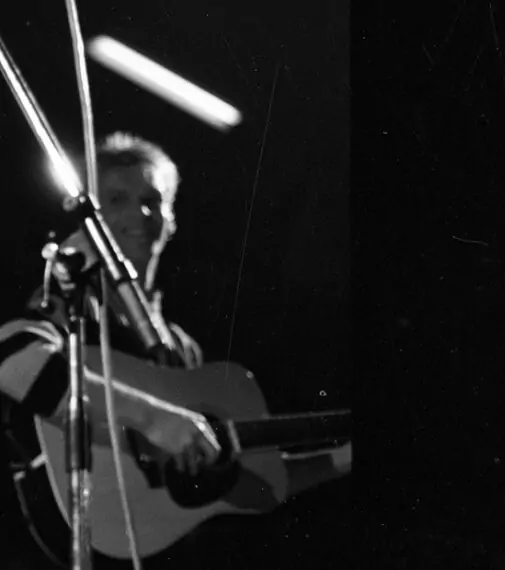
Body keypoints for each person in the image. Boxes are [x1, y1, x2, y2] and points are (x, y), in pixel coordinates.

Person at [0, 132, 351, 569]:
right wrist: (153, 418)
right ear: (90, 221)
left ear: (171, 221)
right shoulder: (76, 304)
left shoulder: (182, 348)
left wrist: (342, 457)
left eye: (153, 201)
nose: (139, 213)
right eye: (116, 199)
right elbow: (11, 361)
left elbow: (255, 486)